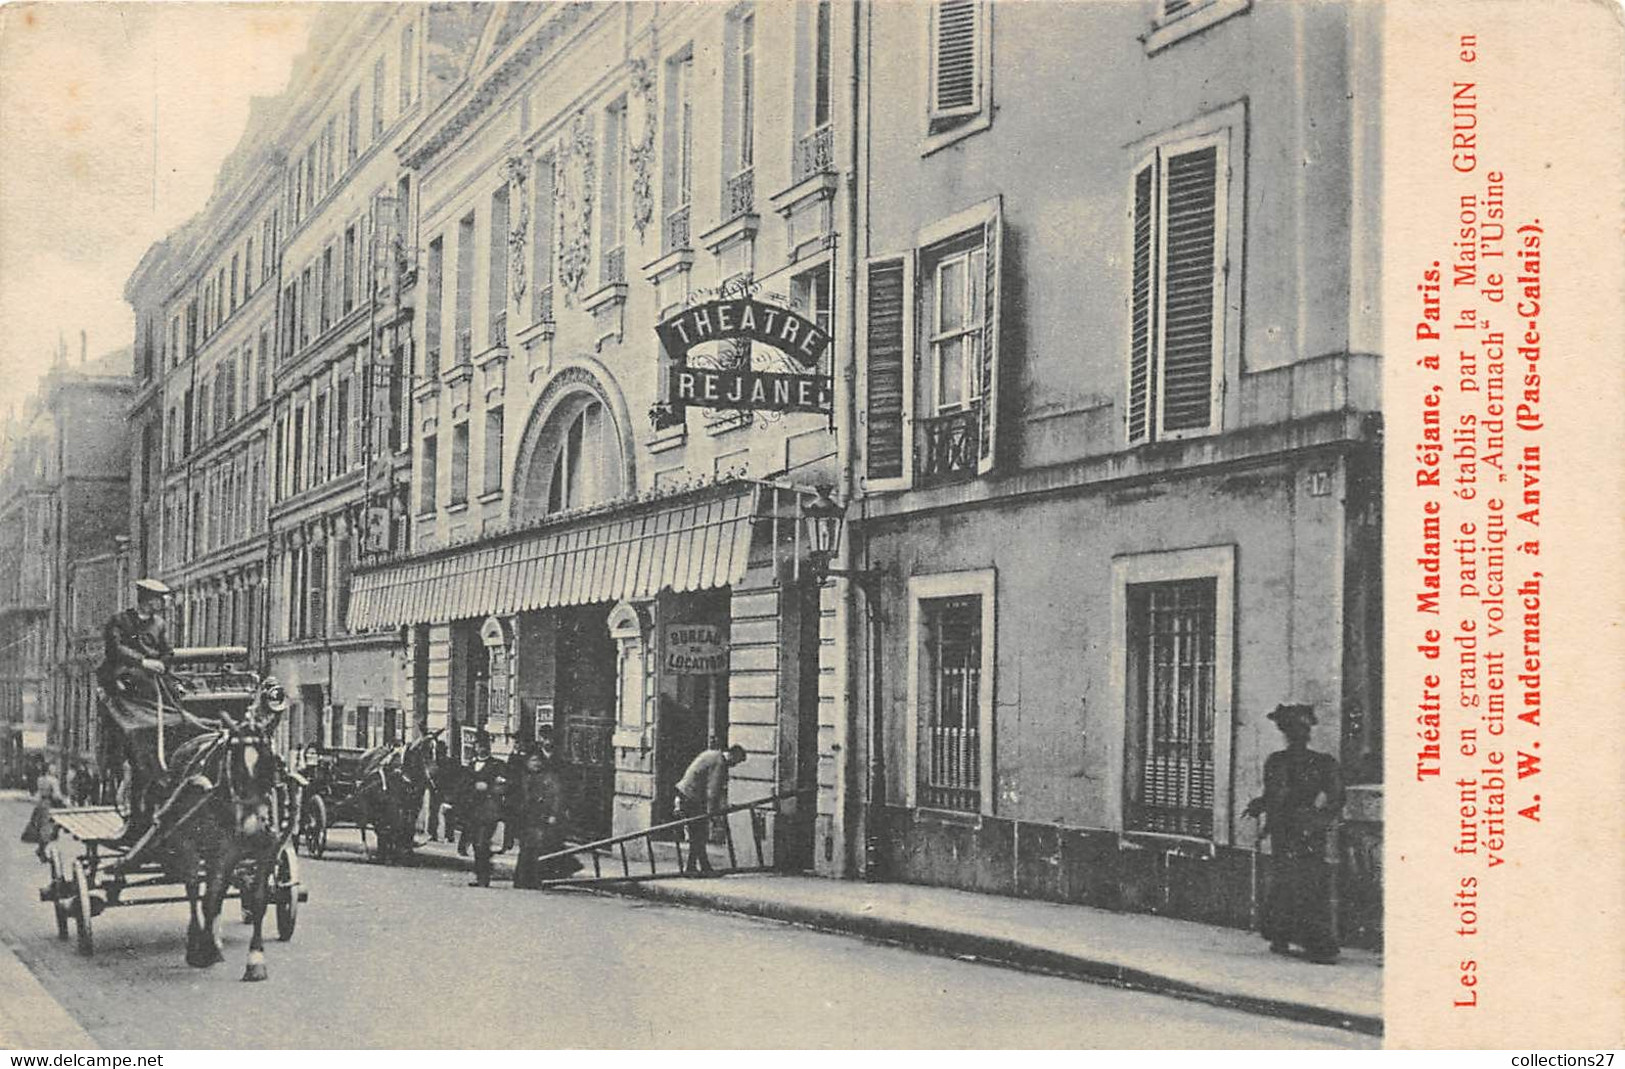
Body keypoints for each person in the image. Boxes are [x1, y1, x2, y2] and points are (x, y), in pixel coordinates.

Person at [1243, 702, 1345, 964]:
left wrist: (1318, 820)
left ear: (1307, 733)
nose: (1295, 735)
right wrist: (1258, 806)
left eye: (1300, 730)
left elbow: (1336, 799)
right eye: (1290, 730)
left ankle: (1317, 943)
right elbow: (1272, 795)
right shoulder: (1276, 761)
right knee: (1284, 880)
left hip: (1308, 832)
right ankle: (1281, 934)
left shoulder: (1323, 763)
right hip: (1283, 830)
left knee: (1309, 883)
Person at [512, 730, 579, 889]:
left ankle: (538, 878)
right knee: (528, 847)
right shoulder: (525, 775)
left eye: (537, 761)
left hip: (542, 814)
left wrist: (556, 813)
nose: (535, 763)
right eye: (532, 761)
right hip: (528, 815)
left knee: (541, 846)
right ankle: (523, 879)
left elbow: (558, 794)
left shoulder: (550, 774)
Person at [673, 744, 747, 876]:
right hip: (692, 797)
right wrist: (712, 814)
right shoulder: (719, 763)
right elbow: (712, 792)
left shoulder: (712, 754)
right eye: (737, 761)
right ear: (733, 755)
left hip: (685, 794)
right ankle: (694, 868)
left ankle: (700, 867)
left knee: (698, 834)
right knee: (699, 834)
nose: (735, 765)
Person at [459, 735, 510, 887]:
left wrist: (489, 787)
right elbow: (463, 785)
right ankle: (480, 874)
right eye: (478, 746)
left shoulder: (497, 765)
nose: (481, 749)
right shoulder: (471, 765)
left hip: (489, 810)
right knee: (476, 843)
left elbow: (504, 786)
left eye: (484, 746)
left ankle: (484, 876)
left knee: (482, 841)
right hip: (472, 810)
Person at [22, 761, 68, 862]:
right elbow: (57, 795)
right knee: (49, 828)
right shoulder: (53, 780)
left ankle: (41, 849)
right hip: (50, 805)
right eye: (53, 768)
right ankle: (41, 850)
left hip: (41, 804)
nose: (55, 770)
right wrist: (63, 802)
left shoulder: (40, 779)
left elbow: (39, 792)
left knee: (41, 826)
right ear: (49, 770)